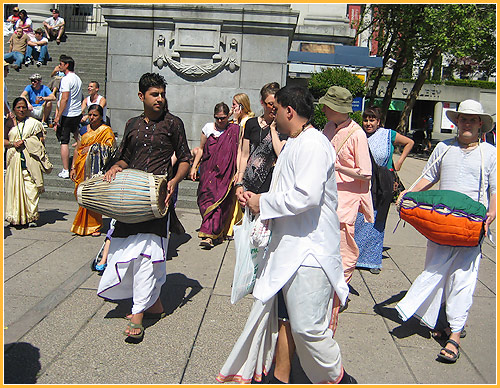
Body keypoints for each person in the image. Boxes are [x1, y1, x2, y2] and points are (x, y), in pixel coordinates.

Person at [217, 86, 354, 384]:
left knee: (308, 329)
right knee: (285, 320)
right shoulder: (295, 142)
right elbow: (287, 192)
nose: (271, 114)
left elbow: (306, 196)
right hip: (288, 249)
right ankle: (279, 376)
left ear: (289, 111)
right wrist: (257, 198)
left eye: (276, 109)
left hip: (310, 252)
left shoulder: (314, 144)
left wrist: (261, 202)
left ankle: (340, 380)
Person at [395, 99, 496, 363]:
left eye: (472, 120)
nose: (466, 123)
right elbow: (428, 176)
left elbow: (494, 190)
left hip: (471, 228)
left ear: (480, 125)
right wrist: (409, 194)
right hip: (440, 224)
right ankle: (441, 320)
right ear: (457, 121)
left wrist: (492, 213)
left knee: (463, 279)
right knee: (435, 271)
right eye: (463, 118)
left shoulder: (490, 153)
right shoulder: (443, 148)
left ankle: (455, 336)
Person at [97, 72, 191, 341]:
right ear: (142, 97)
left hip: (157, 200)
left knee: (148, 253)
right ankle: (154, 305)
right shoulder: (132, 124)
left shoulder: (174, 124)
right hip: (130, 200)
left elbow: (184, 158)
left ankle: (138, 312)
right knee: (127, 251)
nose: (160, 98)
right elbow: (126, 157)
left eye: (162, 94)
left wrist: (174, 180)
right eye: (155, 94)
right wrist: (116, 167)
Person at [321, 86, 373, 326]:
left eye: (327, 106)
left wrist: (338, 167)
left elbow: (366, 174)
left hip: (347, 199)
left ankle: (339, 292)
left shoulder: (357, 134)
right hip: (327, 197)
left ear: (336, 109)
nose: (322, 108)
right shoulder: (328, 127)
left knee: (345, 248)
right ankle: (327, 289)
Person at [354, 107, 414, 274]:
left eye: (372, 120)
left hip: (383, 181)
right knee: (360, 217)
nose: (368, 123)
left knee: (377, 219)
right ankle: (356, 255)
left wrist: (400, 161)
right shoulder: (358, 134)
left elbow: (410, 142)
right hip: (363, 181)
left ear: (378, 122)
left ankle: (372, 260)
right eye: (366, 120)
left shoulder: (388, 135)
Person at [189, 102, 240, 248]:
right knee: (205, 201)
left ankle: (208, 235)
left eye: (223, 118)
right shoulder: (208, 128)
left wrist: (238, 173)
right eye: (217, 118)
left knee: (218, 203)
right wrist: (194, 167)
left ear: (227, 116)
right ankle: (214, 231)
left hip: (225, 174)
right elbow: (201, 149)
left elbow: (238, 152)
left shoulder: (234, 130)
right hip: (208, 171)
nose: (220, 121)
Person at [234, 82, 286, 204]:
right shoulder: (251, 124)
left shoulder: (283, 128)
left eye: (276, 104)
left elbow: (281, 154)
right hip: (248, 181)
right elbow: (244, 154)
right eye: (270, 104)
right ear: (262, 103)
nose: (273, 108)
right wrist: (239, 182)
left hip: (271, 184)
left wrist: (273, 129)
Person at [4, 97, 52, 227]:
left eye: (24, 107)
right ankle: (16, 218)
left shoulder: (34, 123)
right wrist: (14, 143)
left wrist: (29, 142)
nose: (21, 110)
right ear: (14, 109)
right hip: (14, 160)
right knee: (16, 190)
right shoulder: (8, 123)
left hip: (31, 160)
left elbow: (41, 140)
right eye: (18, 107)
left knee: (32, 189)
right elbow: (3, 141)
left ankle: (31, 217)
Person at [69, 104, 116, 236]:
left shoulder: (105, 131)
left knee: (93, 195)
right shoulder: (84, 130)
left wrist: (92, 148)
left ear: (101, 117)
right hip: (81, 167)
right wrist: (73, 167)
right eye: (90, 115)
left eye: (95, 115)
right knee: (80, 194)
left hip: (95, 168)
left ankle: (94, 226)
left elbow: (110, 149)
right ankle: (82, 224)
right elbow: (77, 149)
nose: (92, 117)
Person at [53, 55, 83, 179]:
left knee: (64, 141)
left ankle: (66, 169)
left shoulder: (66, 80)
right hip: (76, 113)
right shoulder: (78, 79)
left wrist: (58, 116)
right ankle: (77, 165)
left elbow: (64, 98)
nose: (59, 66)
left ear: (66, 65)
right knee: (78, 139)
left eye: (61, 64)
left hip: (67, 114)